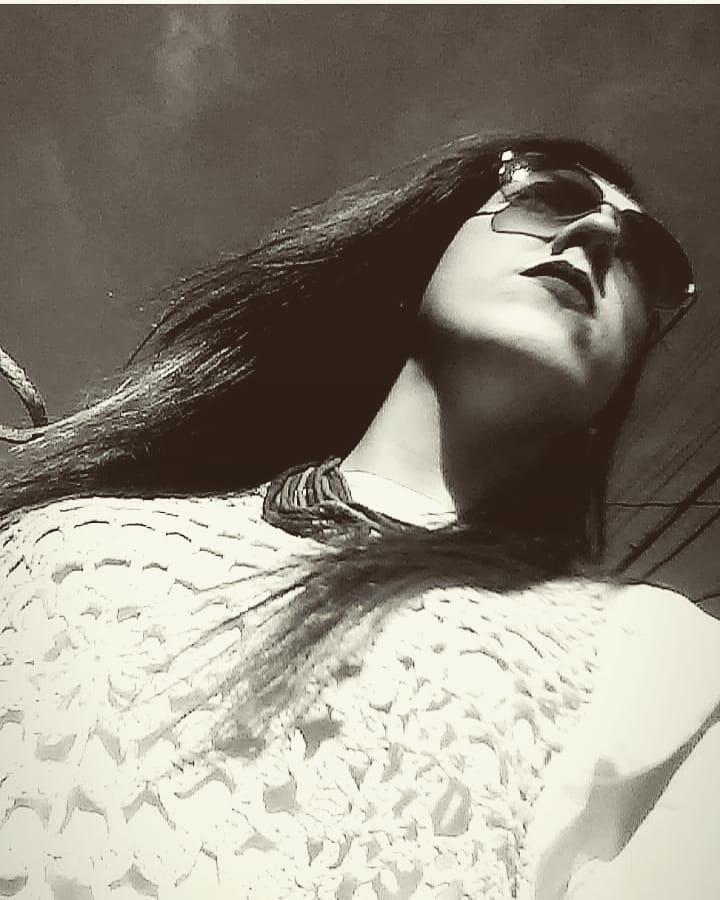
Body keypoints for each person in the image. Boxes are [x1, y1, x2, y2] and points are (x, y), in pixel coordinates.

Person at [0, 133, 716, 900]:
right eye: (551, 195)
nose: (599, 232)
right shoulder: (73, 534)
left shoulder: (662, 667)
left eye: (647, 257)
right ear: (427, 255)